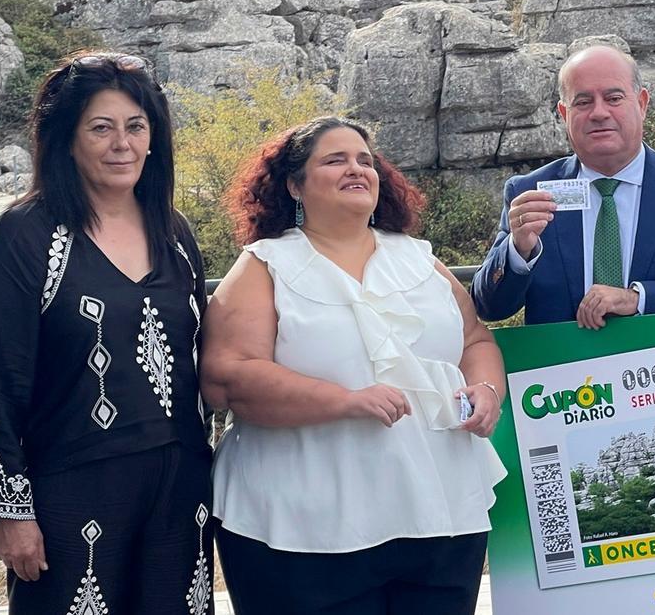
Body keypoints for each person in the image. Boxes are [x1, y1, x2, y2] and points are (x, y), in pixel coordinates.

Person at [203, 116, 506, 614]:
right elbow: (227, 378)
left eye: (365, 160)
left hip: (440, 513)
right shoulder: (264, 265)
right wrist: (343, 401)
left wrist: (487, 391)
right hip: (301, 530)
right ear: (294, 185)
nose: (356, 168)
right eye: (335, 160)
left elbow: (475, 339)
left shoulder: (420, 260)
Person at [0, 52, 213, 613]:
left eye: (136, 126)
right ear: (68, 139)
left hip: (179, 492)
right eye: (100, 128)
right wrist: (10, 510)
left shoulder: (173, 231)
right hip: (70, 492)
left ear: (154, 137)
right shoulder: (25, 233)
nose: (121, 144)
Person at [471, 44, 655, 327]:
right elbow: (488, 307)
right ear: (563, 113)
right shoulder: (531, 193)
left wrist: (639, 299)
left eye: (613, 98)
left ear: (642, 104)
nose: (599, 112)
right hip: (566, 368)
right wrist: (518, 250)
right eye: (582, 102)